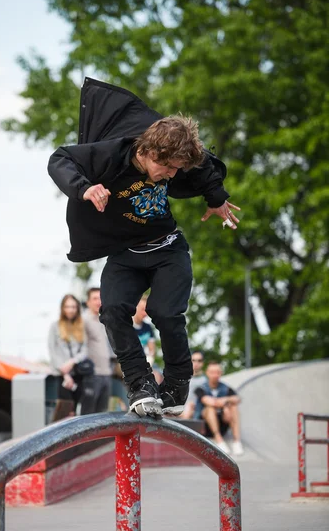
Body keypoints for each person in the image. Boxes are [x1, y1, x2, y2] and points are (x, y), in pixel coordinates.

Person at [48, 77, 241, 418]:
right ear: (149, 151)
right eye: (165, 167)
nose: (169, 175)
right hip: (124, 254)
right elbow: (60, 158)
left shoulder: (175, 163)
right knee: (112, 311)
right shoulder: (112, 155)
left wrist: (216, 198)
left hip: (168, 249)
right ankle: (141, 383)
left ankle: (178, 381)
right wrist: (85, 189)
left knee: (165, 312)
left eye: (175, 170)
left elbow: (204, 165)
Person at [47, 294, 90, 419]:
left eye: (73, 307)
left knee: (77, 411)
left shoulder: (81, 326)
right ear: (62, 308)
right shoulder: (55, 326)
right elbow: (52, 351)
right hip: (61, 376)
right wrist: (65, 373)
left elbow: (85, 350)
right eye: (67, 307)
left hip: (78, 373)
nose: (70, 310)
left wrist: (72, 362)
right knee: (64, 411)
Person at [192, 361, 244, 456]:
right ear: (207, 373)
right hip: (205, 427)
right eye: (212, 372)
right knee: (210, 408)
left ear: (221, 373)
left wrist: (226, 401)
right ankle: (219, 440)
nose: (215, 375)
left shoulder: (225, 388)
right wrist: (225, 405)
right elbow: (209, 401)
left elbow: (237, 399)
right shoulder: (200, 388)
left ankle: (236, 441)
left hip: (222, 423)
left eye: (217, 372)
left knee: (234, 407)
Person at [82, 287, 112, 414]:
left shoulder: (104, 320)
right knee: (88, 415)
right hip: (91, 375)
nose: (98, 301)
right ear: (88, 302)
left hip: (107, 373)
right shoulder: (83, 320)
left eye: (100, 298)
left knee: (102, 414)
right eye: (94, 298)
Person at [133, 295, 163, 384]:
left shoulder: (148, 328)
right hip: (131, 361)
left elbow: (152, 349)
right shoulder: (127, 325)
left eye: (146, 310)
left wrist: (149, 360)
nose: (145, 313)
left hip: (146, 362)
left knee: (158, 375)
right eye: (142, 309)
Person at [182, 350, 207, 417]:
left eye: (199, 360)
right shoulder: (182, 378)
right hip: (181, 410)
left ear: (203, 363)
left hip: (199, 410)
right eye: (193, 360)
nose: (196, 363)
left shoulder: (206, 380)